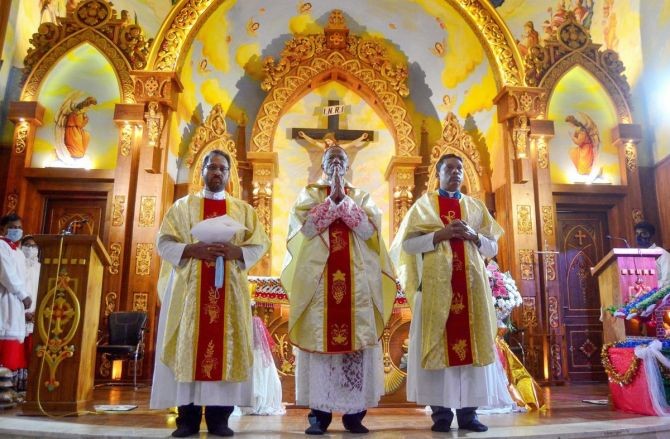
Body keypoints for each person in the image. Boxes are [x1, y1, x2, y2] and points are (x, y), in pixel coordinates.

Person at [150, 149, 270, 437]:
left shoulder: (242, 210)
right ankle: (187, 420)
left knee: (225, 349)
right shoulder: (182, 207)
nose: (217, 173)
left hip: (228, 292)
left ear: (229, 175)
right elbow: (164, 243)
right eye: (212, 167)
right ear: (202, 172)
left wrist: (236, 251)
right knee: (188, 348)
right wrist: (192, 249)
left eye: (222, 169)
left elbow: (260, 244)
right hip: (191, 293)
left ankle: (219, 419)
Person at [281, 145, 396, 435]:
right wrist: (331, 202)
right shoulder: (309, 194)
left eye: (340, 159)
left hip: (356, 287)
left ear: (348, 166)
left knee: (355, 351)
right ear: (321, 164)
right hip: (320, 287)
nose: (335, 162)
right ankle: (319, 417)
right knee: (320, 350)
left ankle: (354, 416)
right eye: (330, 158)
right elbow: (305, 230)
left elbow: (369, 232)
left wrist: (343, 202)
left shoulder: (361, 196)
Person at [390, 153, 504, 432]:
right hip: (435, 292)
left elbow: (493, 248)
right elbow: (407, 246)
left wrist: (473, 236)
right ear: (438, 174)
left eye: (459, 168)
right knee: (438, 347)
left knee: (472, 349)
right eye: (449, 168)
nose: (455, 173)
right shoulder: (424, 207)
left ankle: (469, 414)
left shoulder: (476, 208)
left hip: (471, 292)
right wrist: (440, 235)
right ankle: (440, 414)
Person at [0, 214, 31, 374]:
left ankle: (8, 385)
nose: (17, 230)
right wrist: (22, 294)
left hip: (17, 301)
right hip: (5, 298)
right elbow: (7, 274)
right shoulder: (1, 246)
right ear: (3, 229)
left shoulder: (18, 252)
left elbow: (23, 278)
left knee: (13, 343)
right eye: (13, 227)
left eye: (19, 228)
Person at [297, 131, 370, 183]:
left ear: (332, 140)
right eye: (326, 141)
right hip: (327, 169)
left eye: (329, 141)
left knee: (337, 184)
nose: (327, 142)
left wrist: (362, 138)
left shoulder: (340, 147)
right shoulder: (325, 147)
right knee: (326, 185)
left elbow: (352, 143)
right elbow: (314, 142)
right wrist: (304, 136)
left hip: (337, 168)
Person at [18, 235, 41, 392]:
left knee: (31, 349)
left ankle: (29, 385)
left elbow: (42, 290)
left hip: (35, 315)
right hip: (16, 312)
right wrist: (22, 311)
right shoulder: (16, 265)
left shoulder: (42, 268)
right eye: (27, 245)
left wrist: (35, 311)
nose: (30, 249)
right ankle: (13, 384)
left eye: (34, 246)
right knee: (17, 348)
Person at [634, 221, 670, 289]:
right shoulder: (636, 256)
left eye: (643, 233)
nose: (638, 237)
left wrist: (650, 287)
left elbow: (668, 281)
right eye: (637, 234)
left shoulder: (662, 253)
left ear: (651, 235)